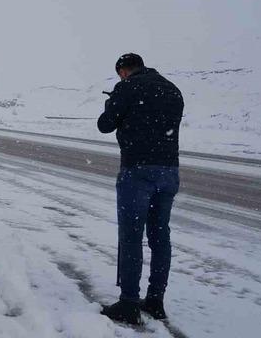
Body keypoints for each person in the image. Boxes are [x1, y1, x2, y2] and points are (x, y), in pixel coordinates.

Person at [97, 53, 184, 325]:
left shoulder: (127, 87)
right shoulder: (172, 89)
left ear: (124, 71)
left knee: (132, 236)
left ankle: (129, 304)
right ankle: (156, 300)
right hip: (169, 171)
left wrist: (114, 101)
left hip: (137, 170)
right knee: (160, 237)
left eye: (119, 74)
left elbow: (104, 125)